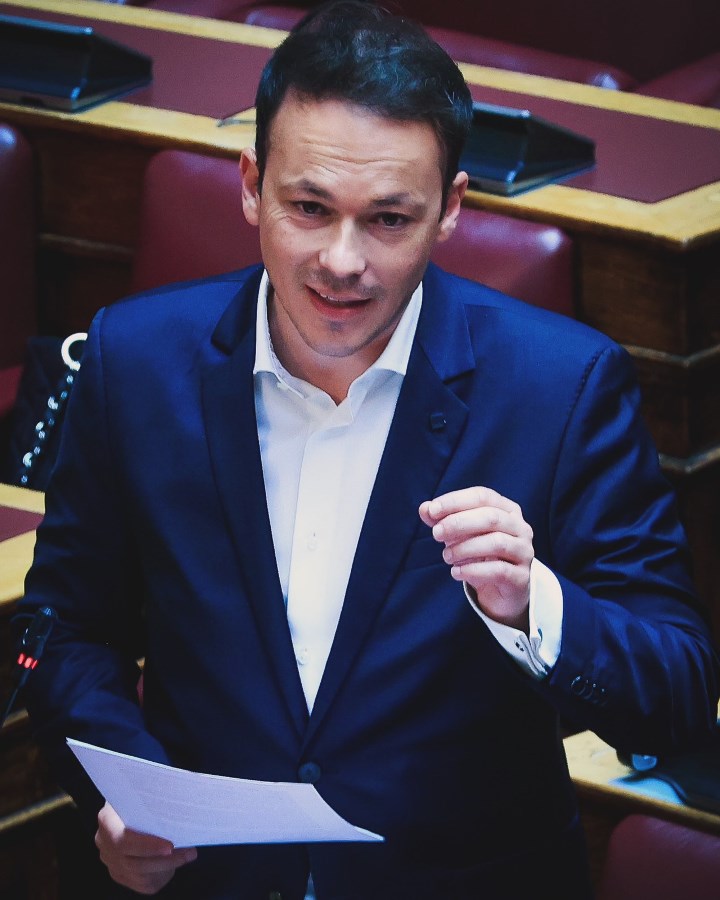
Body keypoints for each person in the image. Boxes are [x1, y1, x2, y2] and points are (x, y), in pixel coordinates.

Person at [17, 2, 719, 898]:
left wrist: (533, 606)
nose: (341, 261)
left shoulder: (562, 386)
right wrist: (122, 791)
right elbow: (66, 627)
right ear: (251, 186)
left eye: (388, 220)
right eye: (309, 208)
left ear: (450, 209)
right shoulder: (136, 359)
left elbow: (679, 693)